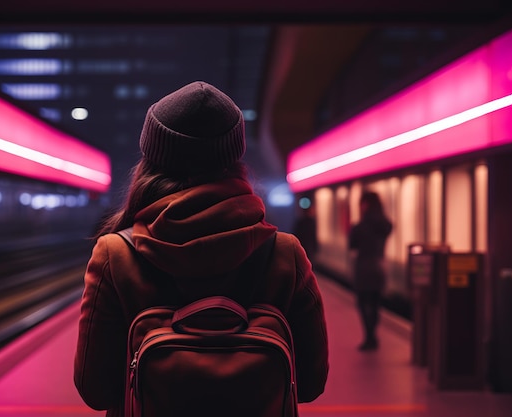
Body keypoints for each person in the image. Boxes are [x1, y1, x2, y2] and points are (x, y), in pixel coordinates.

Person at [74, 81, 329, 416]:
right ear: (233, 157)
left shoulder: (115, 254)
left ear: (152, 158)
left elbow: (95, 390)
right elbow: (310, 383)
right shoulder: (284, 253)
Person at [349, 190, 392, 351]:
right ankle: (373, 334)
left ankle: (369, 337)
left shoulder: (360, 226)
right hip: (380, 265)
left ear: (365, 204)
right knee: (375, 303)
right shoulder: (385, 225)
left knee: (362, 303)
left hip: (364, 267)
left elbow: (352, 245)